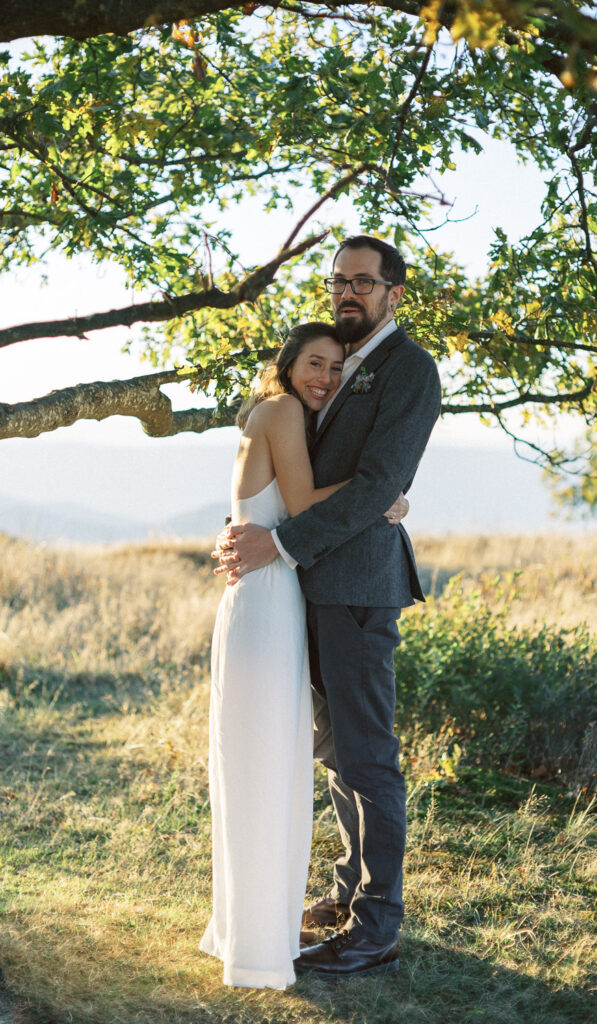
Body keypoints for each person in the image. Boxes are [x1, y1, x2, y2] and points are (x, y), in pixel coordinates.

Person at [218, 236, 442, 980]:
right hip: (313, 589)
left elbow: (379, 480)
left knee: (368, 754)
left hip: (357, 589)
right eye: (339, 280)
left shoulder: (409, 369)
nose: (348, 292)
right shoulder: (335, 367)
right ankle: (348, 891)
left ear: (394, 293)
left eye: (364, 282)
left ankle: (377, 925)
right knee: (337, 750)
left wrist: (278, 544)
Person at [200, 321, 407, 989]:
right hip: (265, 602)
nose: (324, 377)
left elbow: (274, 509)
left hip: (267, 597)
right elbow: (298, 504)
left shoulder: (277, 413)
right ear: (287, 364)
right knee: (267, 760)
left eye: (336, 368)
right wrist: (384, 500)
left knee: (268, 759)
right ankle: (258, 942)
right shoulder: (284, 410)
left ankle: (253, 925)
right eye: (314, 362)